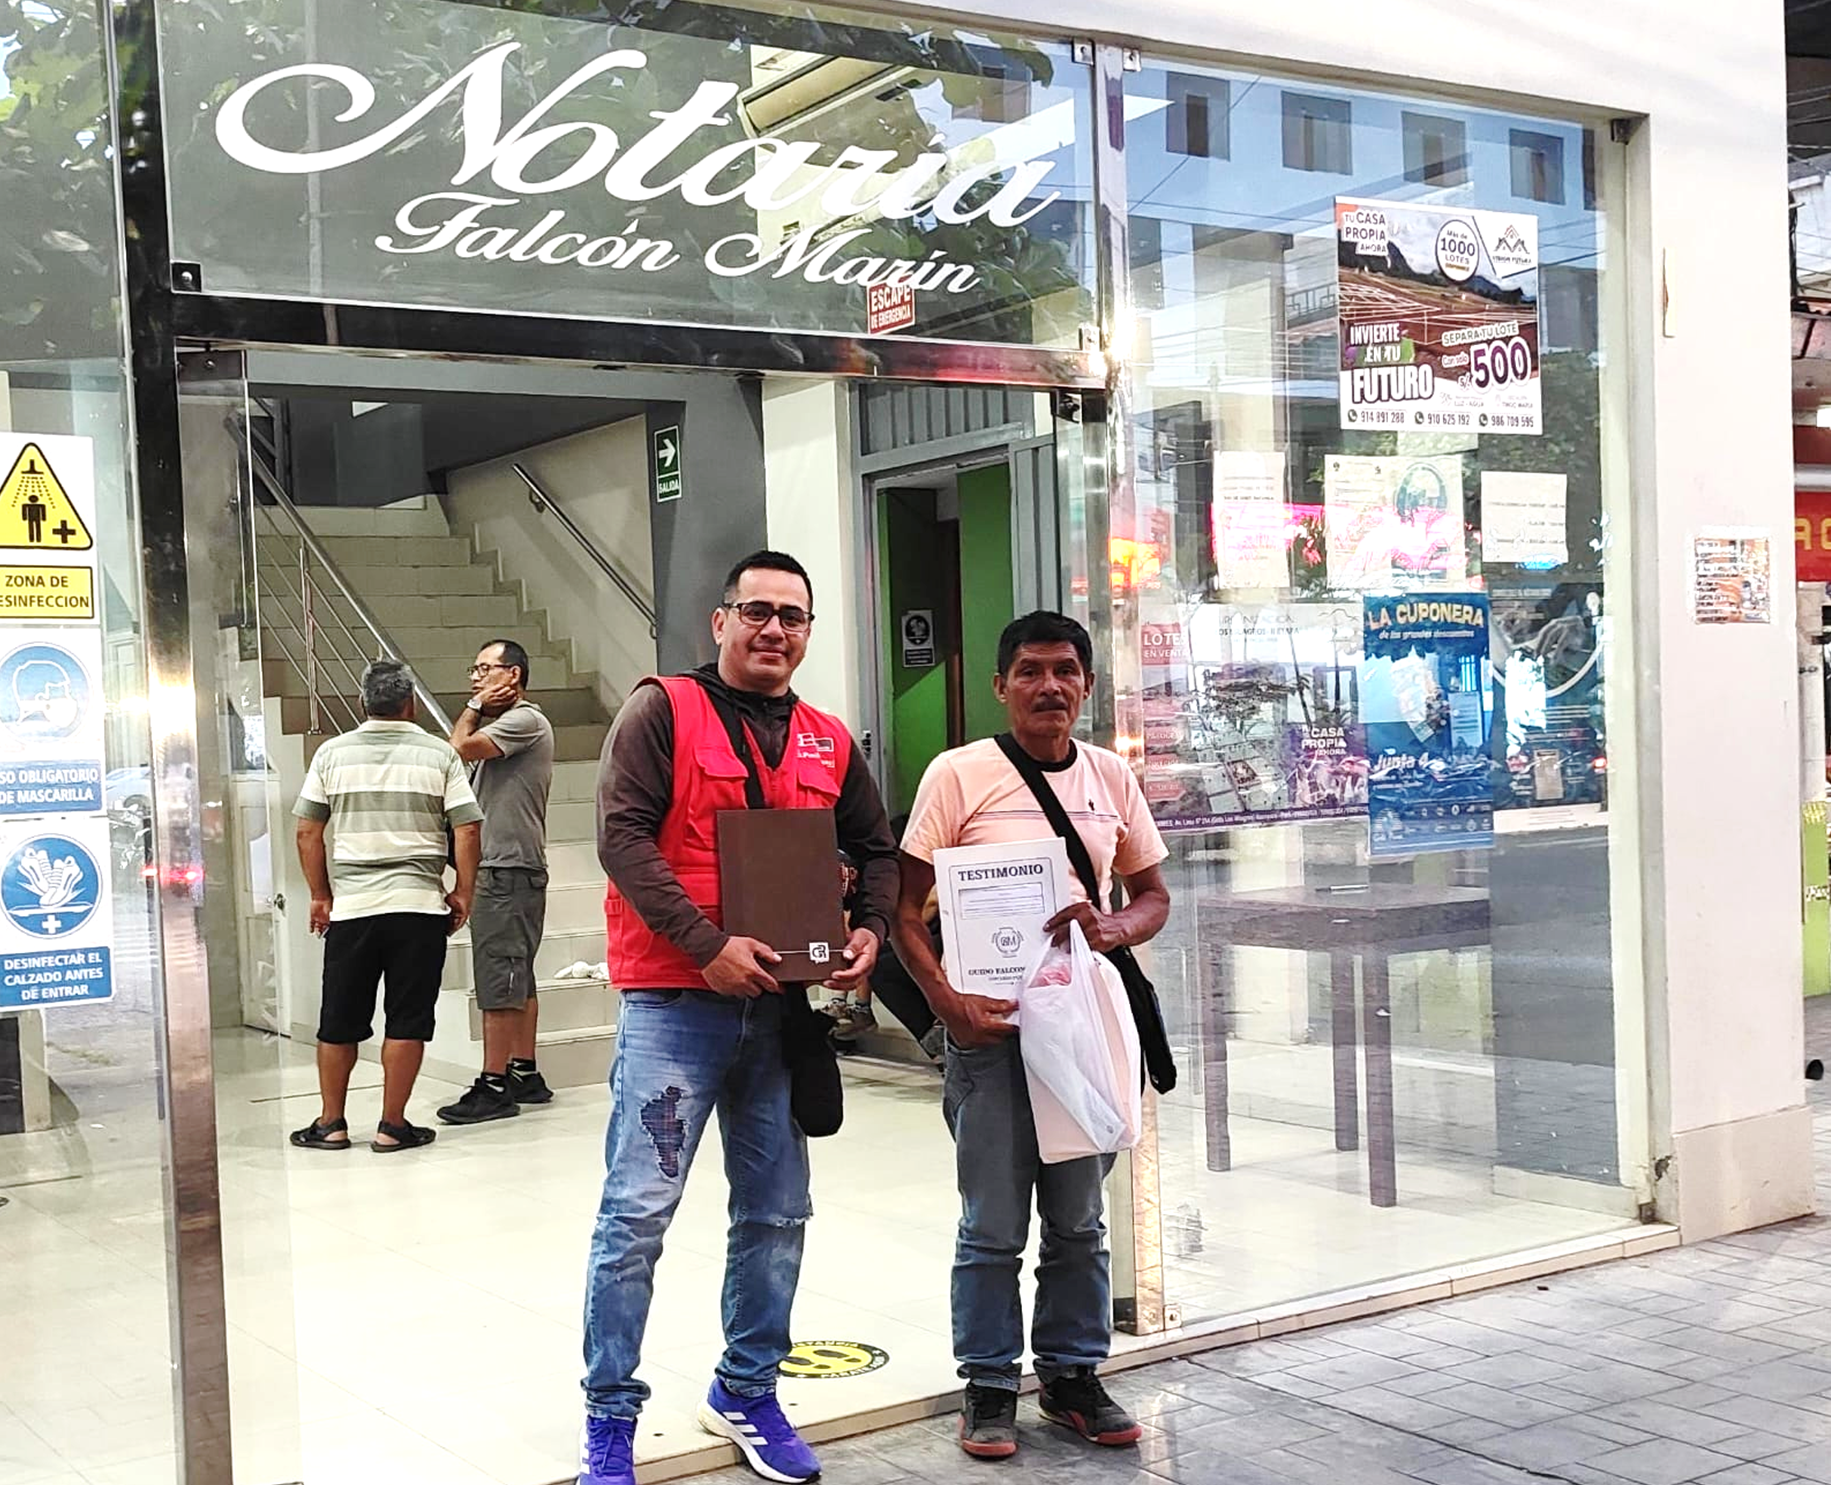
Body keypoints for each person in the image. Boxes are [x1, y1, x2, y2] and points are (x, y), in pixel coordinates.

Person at [579, 550, 897, 1485]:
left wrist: (872, 928)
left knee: (777, 1208)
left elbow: (876, 847)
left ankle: (746, 1388)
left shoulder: (826, 739)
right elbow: (620, 838)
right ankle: (609, 1416)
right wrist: (705, 942)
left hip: (778, 1011)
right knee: (636, 1215)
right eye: (756, 610)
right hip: (674, 1005)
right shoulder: (662, 711)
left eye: (792, 616)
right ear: (719, 622)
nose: (774, 629)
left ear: (808, 632)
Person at [893, 611, 1172, 1460]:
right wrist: (945, 1003)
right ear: (1000, 685)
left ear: (1085, 684)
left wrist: (1110, 928)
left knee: (1079, 1220)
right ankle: (987, 1382)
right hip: (988, 1037)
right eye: (1029, 671)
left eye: (1064, 670)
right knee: (991, 1224)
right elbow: (901, 913)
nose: (1048, 685)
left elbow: (1152, 896)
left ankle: (1071, 1374)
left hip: (1080, 1033)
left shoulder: (1110, 775)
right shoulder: (957, 774)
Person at [289, 659, 481, 1153]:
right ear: (410, 703)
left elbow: (308, 831)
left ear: (363, 703)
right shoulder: (440, 754)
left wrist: (320, 895)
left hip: (353, 910)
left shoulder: (331, 753)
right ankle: (392, 1127)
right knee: (408, 1018)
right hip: (418, 908)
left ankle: (331, 1123)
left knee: (338, 1021)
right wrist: (463, 891)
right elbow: (467, 828)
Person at [438, 639, 557, 1124]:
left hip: (506, 869)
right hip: (511, 868)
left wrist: (472, 707)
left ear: (513, 675)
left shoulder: (524, 720)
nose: (476, 678)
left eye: (485, 669)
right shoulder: (511, 727)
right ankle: (523, 1071)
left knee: (499, 974)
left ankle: (493, 1085)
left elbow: (456, 749)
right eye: (474, 670)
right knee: (516, 971)